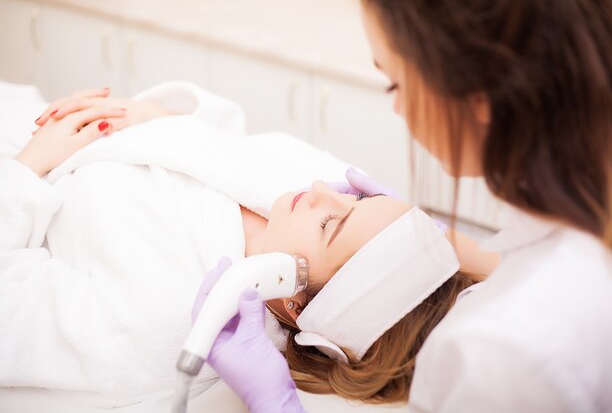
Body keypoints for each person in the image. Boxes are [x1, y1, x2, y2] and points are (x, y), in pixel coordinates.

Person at [189, 0, 612, 412]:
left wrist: (274, 405)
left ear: (478, 98)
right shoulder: (584, 239)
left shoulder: (501, 359)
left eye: (396, 82)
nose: (398, 107)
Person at [0, 82, 489, 408]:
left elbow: (11, 311)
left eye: (332, 226)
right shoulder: (298, 195)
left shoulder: (167, 316)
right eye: (358, 200)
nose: (323, 190)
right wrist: (158, 116)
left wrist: (25, 169)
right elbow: (227, 132)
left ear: (296, 303)